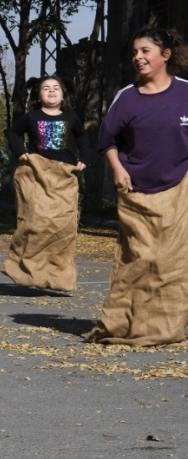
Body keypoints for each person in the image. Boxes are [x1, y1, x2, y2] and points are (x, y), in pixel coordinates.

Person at [87, 28, 188, 346]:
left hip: (180, 189)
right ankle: (124, 322)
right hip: (136, 192)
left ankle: (166, 327)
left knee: (172, 262)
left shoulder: (186, 92)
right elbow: (107, 141)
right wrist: (117, 169)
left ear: (165, 56)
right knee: (140, 260)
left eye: (145, 51)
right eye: (134, 52)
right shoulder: (126, 97)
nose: (138, 57)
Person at [3, 75, 91, 291]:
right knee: (36, 223)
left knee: (61, 227)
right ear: (38, 96)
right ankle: (27, 270)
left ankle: (58, 276)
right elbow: (13, 133)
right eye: (46, 88)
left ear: (63, 95)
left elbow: (82, 138)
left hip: (63, 178)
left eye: (56, 88)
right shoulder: (31, 117)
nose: (51, 91)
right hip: (38, 176)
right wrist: (21, 153)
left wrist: (84, 159)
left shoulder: (71, 117)